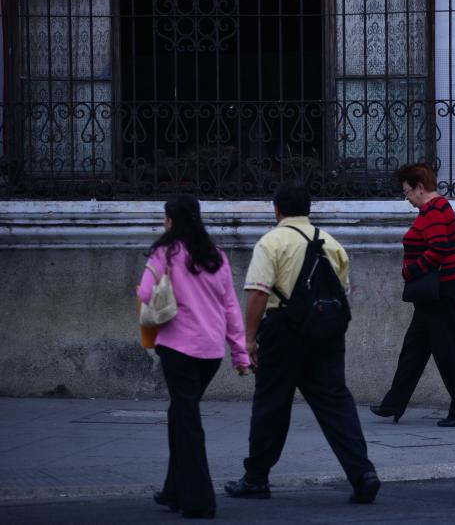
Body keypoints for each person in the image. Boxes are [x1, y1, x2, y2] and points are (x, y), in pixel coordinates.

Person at [224, 181, 380, 504]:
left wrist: (248, 340)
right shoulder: (331, 243)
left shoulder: (271, 242)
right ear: (309, 209)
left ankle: (256, 478)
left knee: (271, 404)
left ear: (277, 209)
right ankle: (363, 473)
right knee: (335, 402)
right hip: (326, 330)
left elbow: (257, 293)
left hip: (283, 330)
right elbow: (343, 290)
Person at [138, 194, 252, 520]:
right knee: (180, 413)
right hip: (211, 351)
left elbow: (145, 292)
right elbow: (231, 306)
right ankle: (174, 490)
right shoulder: (216, 256)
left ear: (171, 221)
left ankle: (199, 499)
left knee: (187, 420)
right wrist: (240, 354)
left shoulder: (166, 253)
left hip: (178, 347)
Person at [370, 163, 455, 427]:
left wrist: (411, 272)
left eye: (407, 192)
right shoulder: (437, 208)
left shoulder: (434, 210)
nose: (407, 199)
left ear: (419, 187)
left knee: (446, 351)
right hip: (439, 292)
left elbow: (438, 249)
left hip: (438, 293)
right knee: (414, 349)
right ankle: (393, 403)